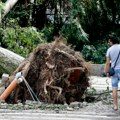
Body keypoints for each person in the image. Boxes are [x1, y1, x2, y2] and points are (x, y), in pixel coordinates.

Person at [104, 34, 120, 111]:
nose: (108, 42)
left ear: (111, 41)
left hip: (114, 72)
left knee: (114, 88)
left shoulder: (109, 50)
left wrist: (107, 72)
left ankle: (115, 106)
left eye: (109, 41)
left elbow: (107, 63)